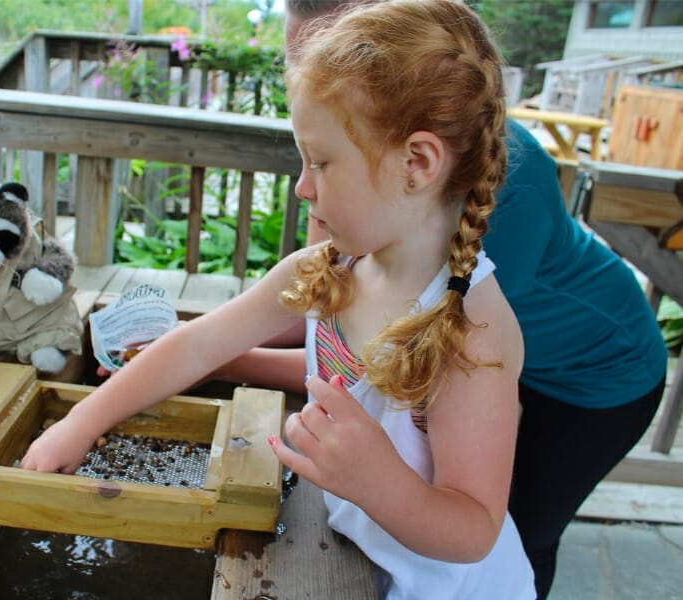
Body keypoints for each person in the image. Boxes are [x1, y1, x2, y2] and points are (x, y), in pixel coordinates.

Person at [23, 1, 536, 597]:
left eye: (321, 161)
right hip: (360, 556)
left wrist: (380, 482)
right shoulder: (332, 270)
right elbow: (196, 345)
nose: (302, 186)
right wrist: (80, 423)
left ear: (416, 163)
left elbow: (473, 527)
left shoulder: (470, 327)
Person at [211, 1, 669, 598]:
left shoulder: (480, 208)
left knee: (519, 529)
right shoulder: (379, 187)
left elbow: (386, 370)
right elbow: (330, 322)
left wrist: (234, 359)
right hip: (496, 365)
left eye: (327, 56)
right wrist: (225, 343)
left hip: (602, 372)